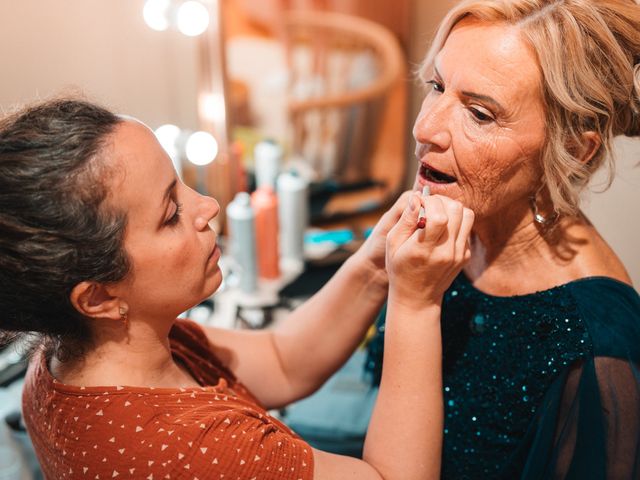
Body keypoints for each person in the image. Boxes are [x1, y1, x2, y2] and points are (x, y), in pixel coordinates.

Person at [0, 98, 474, 479]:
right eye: (170, 216)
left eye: (182, 186)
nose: (207, 205)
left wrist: (375, 265)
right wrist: (414, 303)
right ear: (98, 297)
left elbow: (284, 360)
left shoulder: (76, 358)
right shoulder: (194, 453)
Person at [365, 0, 640, 478]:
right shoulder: (446, 231)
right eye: (437, 86)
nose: (424, 128)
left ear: (573, 149)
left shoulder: (596, 350)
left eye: (479, 113)